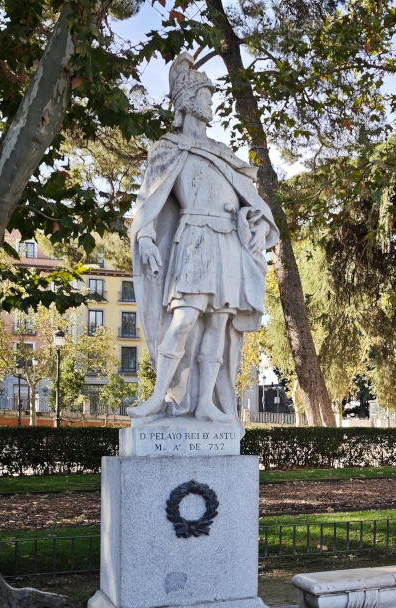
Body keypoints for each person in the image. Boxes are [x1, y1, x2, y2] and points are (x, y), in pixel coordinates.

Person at [127, 53, 278, 426]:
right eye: (206, 96)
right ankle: (158, 398)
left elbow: (252, 203)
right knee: (183, 319)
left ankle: (207, 405)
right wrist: (144, 237)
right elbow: (149, 201)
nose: (212, 103)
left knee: (218, 324)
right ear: (189, 102)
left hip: (228, 243)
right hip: (194, 239)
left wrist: (259, 225)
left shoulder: (223, 154)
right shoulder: (169, 148)